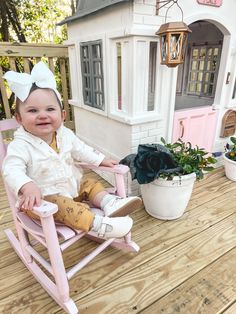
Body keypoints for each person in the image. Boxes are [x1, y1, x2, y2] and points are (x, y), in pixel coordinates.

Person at [2, 61, 142, 239]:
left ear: (62, 115)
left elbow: (81, 149)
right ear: (19, 119)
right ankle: (98, 225)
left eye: (50, 109)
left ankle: (109, 203)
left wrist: (100, 160)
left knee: (90, 184)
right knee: (62, 206)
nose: (42, 115)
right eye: (33, 110)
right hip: (44, 202)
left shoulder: (65, 134)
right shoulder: (20, 145)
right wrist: (27, 186)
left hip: (72, 188)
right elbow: (11, 169)